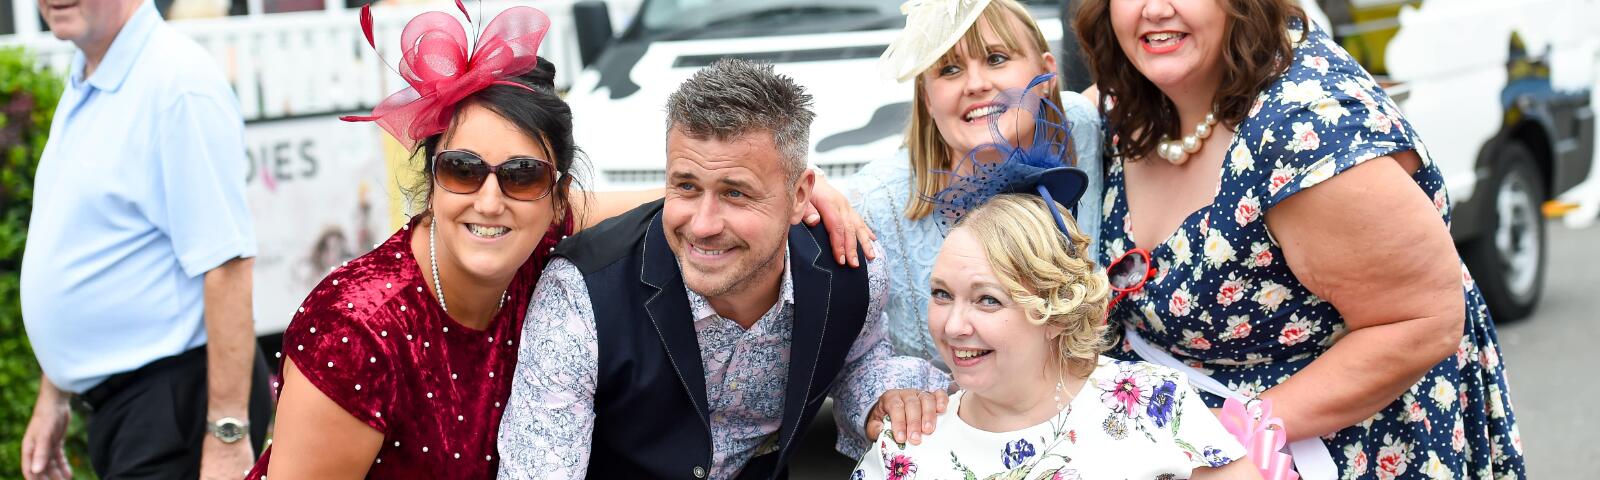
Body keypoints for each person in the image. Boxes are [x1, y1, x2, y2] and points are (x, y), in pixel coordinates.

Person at [243, 8, 873, 479]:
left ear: (555, 197)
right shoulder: (358, 331)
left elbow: (672, 213)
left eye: (521, 176)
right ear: (430, 180)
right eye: (463, 170)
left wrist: (798, 203)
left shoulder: (539, 239)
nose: (490, 202)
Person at [1074, 0, 1524, 477]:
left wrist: (1232, 437)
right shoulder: (1133, 97)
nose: (1155, 9)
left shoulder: (1307, 133)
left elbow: (1423, 320)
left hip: (1334, 451)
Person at [495, 58, 951, 480]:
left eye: (736, 193)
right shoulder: (581, 294)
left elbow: (858, 358)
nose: (704, 225)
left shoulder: (852, 269)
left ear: (799, 196)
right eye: (687, 186)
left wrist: (883, 398)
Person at [19, 0, 269, 477]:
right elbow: (93, 243)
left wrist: (227, 436)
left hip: (175, 403)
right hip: (138, 407)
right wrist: (54, 394)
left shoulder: (176, 83)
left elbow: (228, 264)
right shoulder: (91, 77)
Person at [854, 193, 1260, 479]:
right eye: (942, 294)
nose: (954, 325)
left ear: (1057, 313)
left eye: (988, 300)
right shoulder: (907, 450)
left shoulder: (1154, 402)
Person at [836, 0, 1103, 375]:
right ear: (927, 98)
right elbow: (847, 357)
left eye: (995, 58)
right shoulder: (877, 203)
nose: (976, 84)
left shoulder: (1084, 129)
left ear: (1048, 72)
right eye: (950, 69)